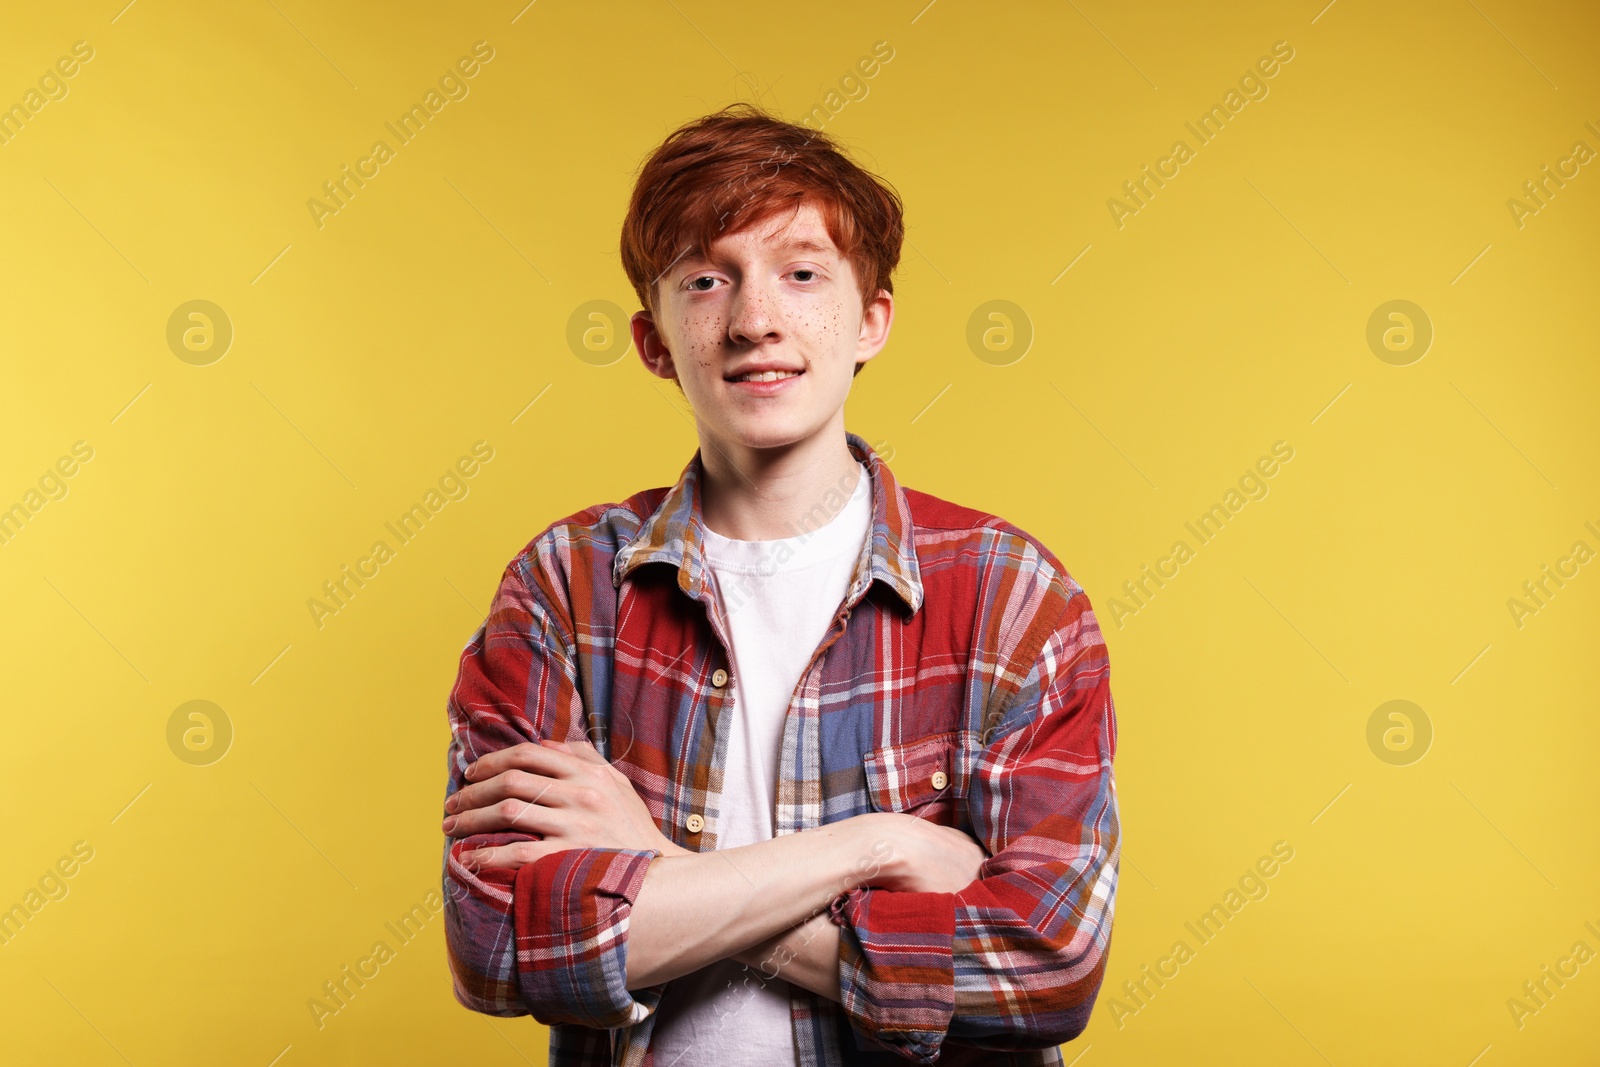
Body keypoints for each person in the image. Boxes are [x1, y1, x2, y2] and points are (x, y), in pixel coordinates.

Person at [438, 103, 1120, 1066]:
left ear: (871, 321)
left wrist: (661, 874)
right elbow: (499, 944)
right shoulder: (565, 587)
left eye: (802, 274)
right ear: (655, 341)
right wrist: (876, 847)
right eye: (708, 280)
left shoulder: (1010, 597)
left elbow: (1046, 968)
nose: (756, 320)